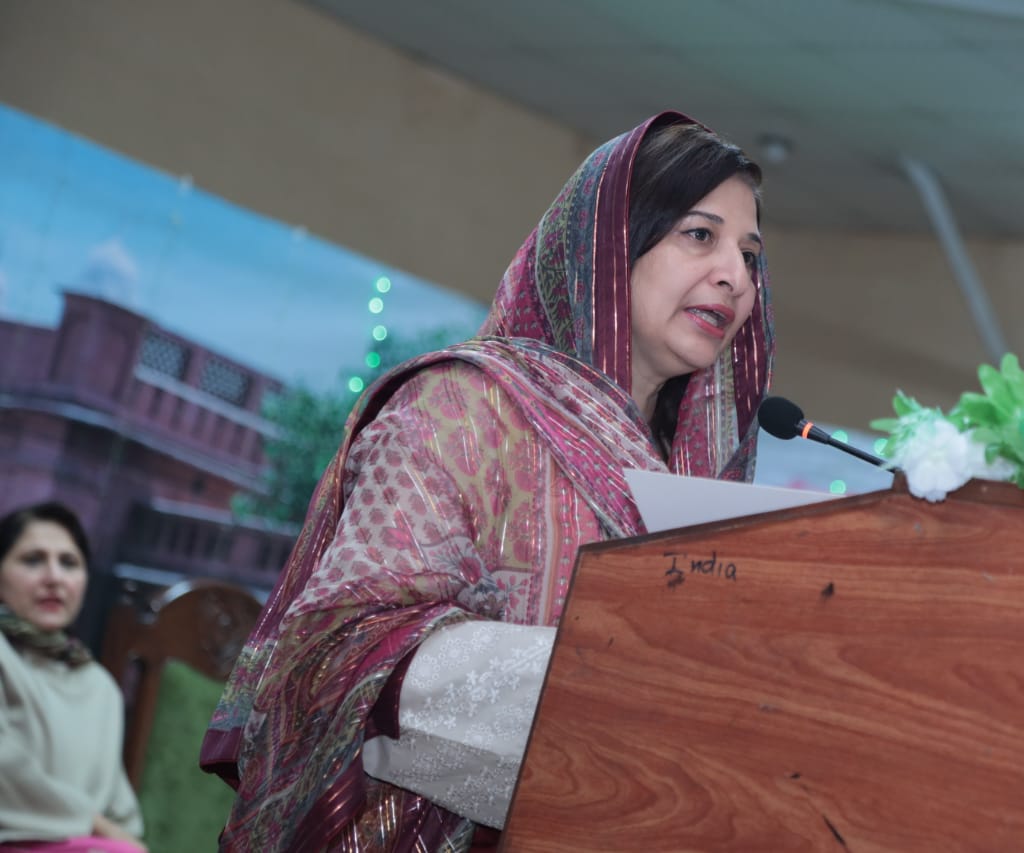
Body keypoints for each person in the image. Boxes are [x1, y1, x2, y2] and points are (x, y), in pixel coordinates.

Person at [200, 110, 774, 851]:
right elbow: (336, 649)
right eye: (700, 235)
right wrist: (608, 675)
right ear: (606, 246)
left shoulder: (695, 476)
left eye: (750, 255)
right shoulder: (459, 408)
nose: (736, 275)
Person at [0, 502, 146, 853]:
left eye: (69, 563)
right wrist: (97, 826)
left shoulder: (99, 685)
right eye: (33, 560)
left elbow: (121, 812)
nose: (54, 577)